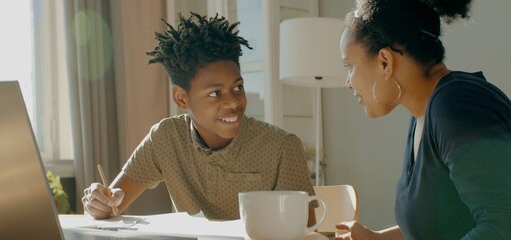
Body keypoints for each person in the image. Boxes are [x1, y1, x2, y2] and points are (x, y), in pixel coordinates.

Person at [82, 12, 317, 225]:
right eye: (215, 93)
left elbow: (307, 233)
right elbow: (114, 203)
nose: (234, 102)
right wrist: (100, 202)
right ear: (182, 98)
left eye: (238, 88)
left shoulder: (282, 147)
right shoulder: (165, 138)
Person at [335, 0, 511, 239]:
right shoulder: (425, 113)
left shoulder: (455, 106)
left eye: (349, 66)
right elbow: (444, 223)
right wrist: (376, 238)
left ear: (385, 61)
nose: (348, 83)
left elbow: (502, 225)